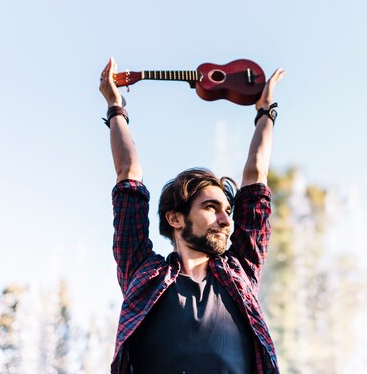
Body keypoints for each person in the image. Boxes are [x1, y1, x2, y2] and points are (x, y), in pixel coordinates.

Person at [98, 57, 285, 374]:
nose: (226, 220)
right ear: (175, 218)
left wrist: (266, 112)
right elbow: (127, 173)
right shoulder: (143, 272)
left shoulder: (241, 271)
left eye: (227, 210)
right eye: (211, 208)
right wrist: (116, 109)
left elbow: (255, 176)